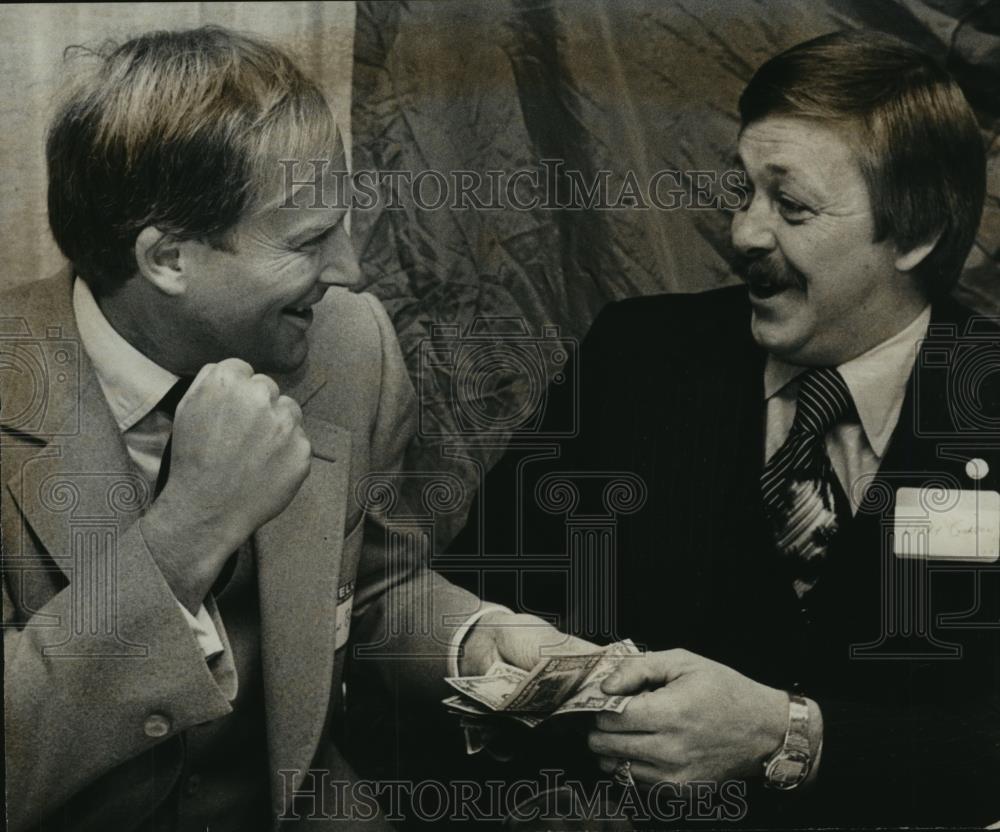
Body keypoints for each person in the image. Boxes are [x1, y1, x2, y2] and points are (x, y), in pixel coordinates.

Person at [0, 27, 590, 832]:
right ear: (167, 257)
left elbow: (372, 587)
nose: (351, 271)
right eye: (310, 241)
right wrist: (183, 538)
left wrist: (477, 641)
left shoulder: (349, 345)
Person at [452, 30, 1000, 827]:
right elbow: (477, 598)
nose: (745, 232)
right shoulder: (636, 359)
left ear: (915, 233)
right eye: (744, 192)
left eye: (793, 205)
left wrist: (788, 735)